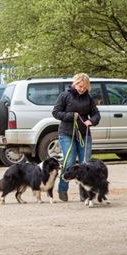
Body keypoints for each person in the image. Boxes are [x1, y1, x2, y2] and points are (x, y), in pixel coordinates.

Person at [52, 73, 101, 202]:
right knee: (69, 162)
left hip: (84, 134)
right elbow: (55, 112)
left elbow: (96, 114)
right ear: (75, 83)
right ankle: (62, 189)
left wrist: (92, 121)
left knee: (86, 164)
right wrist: (70, 116)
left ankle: (84, 194)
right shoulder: (64, 95)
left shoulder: (88, 98)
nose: (82, 89)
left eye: (85, 87)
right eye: (80, 86)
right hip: (67, 133)